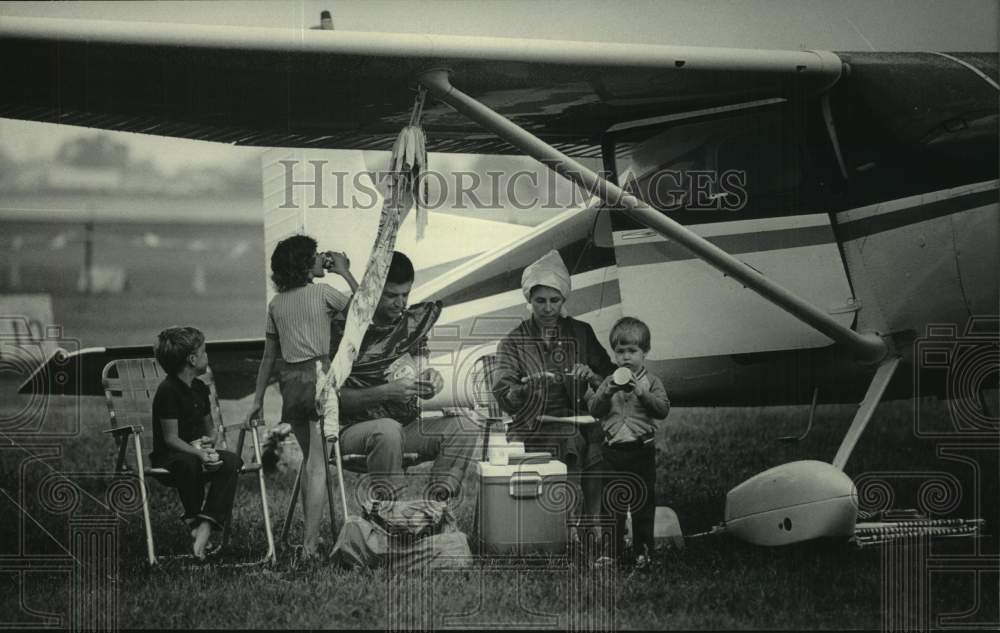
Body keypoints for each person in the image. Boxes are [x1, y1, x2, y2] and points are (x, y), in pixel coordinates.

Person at [334, 251, 481, 503]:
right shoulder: (345, 327)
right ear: (374, 290)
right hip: (351, 432)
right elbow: (333, 400)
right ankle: (393, 515)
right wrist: (386, 392)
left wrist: (431, 381)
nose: (400, 303)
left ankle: (436, 509)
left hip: (405, 428)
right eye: (391, 295)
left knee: (464, 427)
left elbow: (420, 372)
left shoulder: (410, 326)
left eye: (405, 294)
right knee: (387, 430)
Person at [245, 235, 358, 561]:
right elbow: (365, 308)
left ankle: (313, 538)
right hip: (319, 379)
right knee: (319, 466)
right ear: (306, 264)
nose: (323, 256)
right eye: (317, 254)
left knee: (311, 463)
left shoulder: (276, 305)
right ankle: (309, 547)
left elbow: (269, 357)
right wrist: (344, 271)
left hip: (290, 384)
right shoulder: (323, 293)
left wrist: (256, 400)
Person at [491, 250, 614, 535]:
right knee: (570, 439)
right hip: (532, 424)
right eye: (540, 301)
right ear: (529, 300)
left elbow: (609, 377)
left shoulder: (581, 332)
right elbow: (503, 391)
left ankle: (593, 521)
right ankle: (566, 526)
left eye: (554, 300)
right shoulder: (514, 341)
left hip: (578, 418)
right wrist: (529, 387)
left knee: (599, 437)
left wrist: (591, 375)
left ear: (564, 299)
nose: (547, 308)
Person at [151, 326, 243, 560]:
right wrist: (198, 453)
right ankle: (193, 518)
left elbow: (210, 430)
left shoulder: (200, 388)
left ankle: (207, 523)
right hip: (171, 458)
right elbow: (170, 439)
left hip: (196, 453)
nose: (207, 356)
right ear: (192, 359)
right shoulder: (167, 391)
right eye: (204, 352)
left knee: (232, 461)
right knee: (189, 462)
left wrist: (208, 441)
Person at [588, 317, 670, 569]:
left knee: (643, 502)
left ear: (645, 352)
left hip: (640, 450)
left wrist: (641, 392)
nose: (625, 358)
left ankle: (643, 551)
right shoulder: (608, 381)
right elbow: (594, 410)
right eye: (620, 352)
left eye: (632, 351)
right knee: (612, 504)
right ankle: (610, 553)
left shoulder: (652, 382)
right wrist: (606, 391)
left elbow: (662, 410)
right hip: (613, 451)